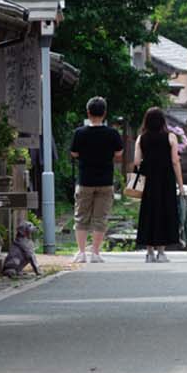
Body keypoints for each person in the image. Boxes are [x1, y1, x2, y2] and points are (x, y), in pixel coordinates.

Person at [69, 96, 125, 264]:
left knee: (81, 217)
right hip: (105, 181)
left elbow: (74, 153)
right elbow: (119, 153)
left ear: (88, 112)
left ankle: (81, 253)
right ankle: (95, 252)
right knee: (101, 218)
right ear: (105, 113)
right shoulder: (112, 134)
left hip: (85, 180)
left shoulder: (80, 133)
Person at [134, 106, 184, 262]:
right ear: (163, 121)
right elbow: (175, 162)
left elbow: (136, 161)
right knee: (165, 211)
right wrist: (181, 185)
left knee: (149, 213)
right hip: (166, 180)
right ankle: (161, 252)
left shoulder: (141, 138)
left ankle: (149, 253)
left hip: (148, 180)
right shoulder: (171, 137)